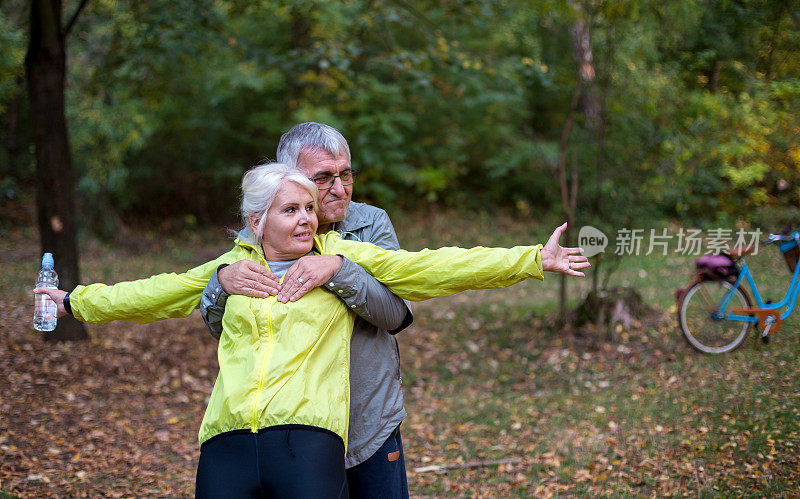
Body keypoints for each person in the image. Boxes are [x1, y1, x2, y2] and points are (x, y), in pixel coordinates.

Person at [36, 163, 589, 498]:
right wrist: (73, 303)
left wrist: (530, 260)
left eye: (309, 209)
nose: (307, 219)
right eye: (291, 210)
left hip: (308, 441)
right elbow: (153, 292)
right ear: (258, 223)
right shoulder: (229, 271)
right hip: (227, 440)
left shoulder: (343, 255)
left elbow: (433, 267)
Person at [199, 122, 415, 498]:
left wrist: (338, 269)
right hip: (293, 432)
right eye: (324, 177)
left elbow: (396, 315)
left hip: (367, 420)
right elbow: (225, 328)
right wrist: (221, 283)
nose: (339, 188)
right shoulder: (264, 233)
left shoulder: (370, 224)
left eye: (345, 174)